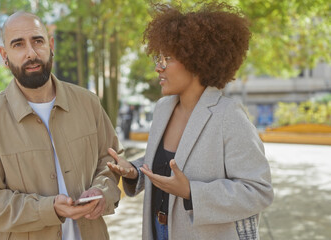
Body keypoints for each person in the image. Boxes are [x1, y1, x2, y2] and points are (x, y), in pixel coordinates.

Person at [107, 2, 274, 240]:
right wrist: (134, 171)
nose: (157, 67)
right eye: (158, 57)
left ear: (196, 60)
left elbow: (259, 192)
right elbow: (166, 166)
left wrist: (191, 192)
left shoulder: (229, 115)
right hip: (158, 230)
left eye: (167, 58)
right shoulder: (163, 108)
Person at [0, 11, 122, 240]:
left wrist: (102, 191)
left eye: (37, 41)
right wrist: (48, 209)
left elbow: (111, 159)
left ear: (51, 44)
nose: (31, 53)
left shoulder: (88, 103)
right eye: (18, 44)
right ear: (4, 54)